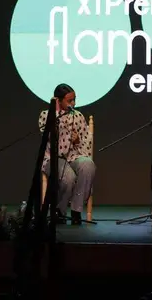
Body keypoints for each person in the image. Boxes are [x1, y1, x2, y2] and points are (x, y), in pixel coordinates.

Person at [38, 83, 96, 225]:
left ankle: (76, 209)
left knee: (88, 165)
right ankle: (60, 211)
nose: (73, 103)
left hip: (74, 156)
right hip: (53, 158)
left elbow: (86, 144)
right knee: (68, 178)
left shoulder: (78, 116)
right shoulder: (46, 115)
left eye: (74, 99)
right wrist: (56, 112)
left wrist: (77, 141)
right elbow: (50, 139)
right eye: (70, 100)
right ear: (58, 101)